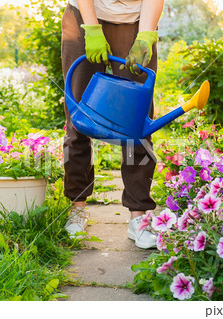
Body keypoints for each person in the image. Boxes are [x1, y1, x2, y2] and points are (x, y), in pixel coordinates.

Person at [61, 0, 164, 249]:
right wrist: (92, 28)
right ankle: (77, 208)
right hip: (84, 15)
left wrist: (146, 35)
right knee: (79, 118)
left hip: (135, 21)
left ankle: (139, 217)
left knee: (137, 123)